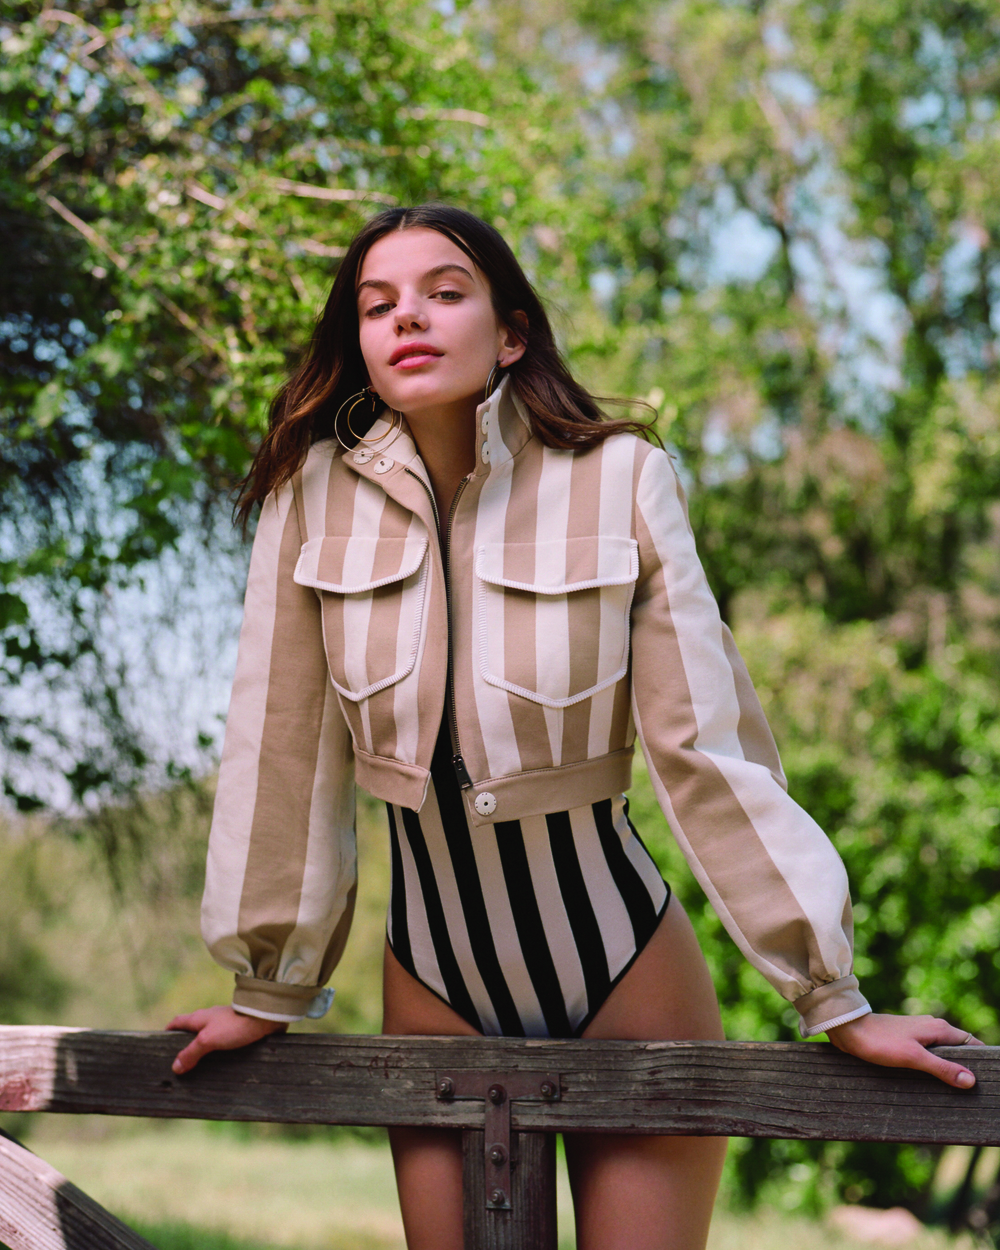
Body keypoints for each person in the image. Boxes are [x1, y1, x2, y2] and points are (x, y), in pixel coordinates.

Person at [167, 204, 982, 1250]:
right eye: (377, 305)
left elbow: (705, 748)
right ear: (359, 342)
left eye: (443, 292)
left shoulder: (622, 476)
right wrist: (266, 985)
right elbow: (279, 746)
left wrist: (834, 998)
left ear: (510, 333)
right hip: (431, 983)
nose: (407, 316)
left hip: (625, 972)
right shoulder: (308, 497)